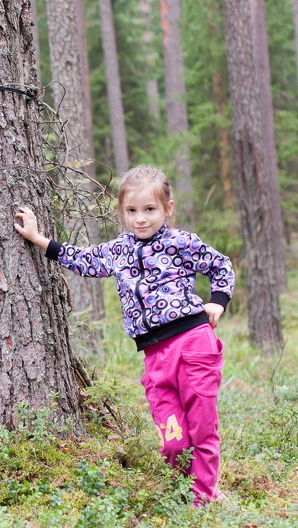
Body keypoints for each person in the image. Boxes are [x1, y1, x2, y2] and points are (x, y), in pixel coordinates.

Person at [14, 165, 235, 506]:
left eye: (150, 210)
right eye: (132, 211)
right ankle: (186, 490)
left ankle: (202, 499)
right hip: (155, 358)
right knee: (174, 438)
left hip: (193, 345)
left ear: (167, 209)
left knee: (202, 430)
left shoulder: (181, 242)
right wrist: (37, 238)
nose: (140, 219)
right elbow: (83, 260)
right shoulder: (117, 250)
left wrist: (218, 302)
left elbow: (221, 266)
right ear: (122, 212)